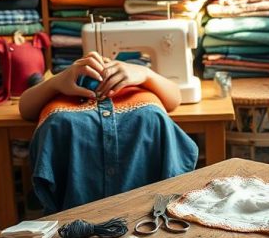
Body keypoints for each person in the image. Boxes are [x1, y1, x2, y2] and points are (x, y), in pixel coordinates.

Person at [19, 52, 199, 213]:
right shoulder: (64, 85)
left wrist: (145, 74)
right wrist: (56, 82)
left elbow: (175, 98)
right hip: (71, 232)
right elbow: (25, 107)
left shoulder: (140, 82)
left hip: (148, 221)